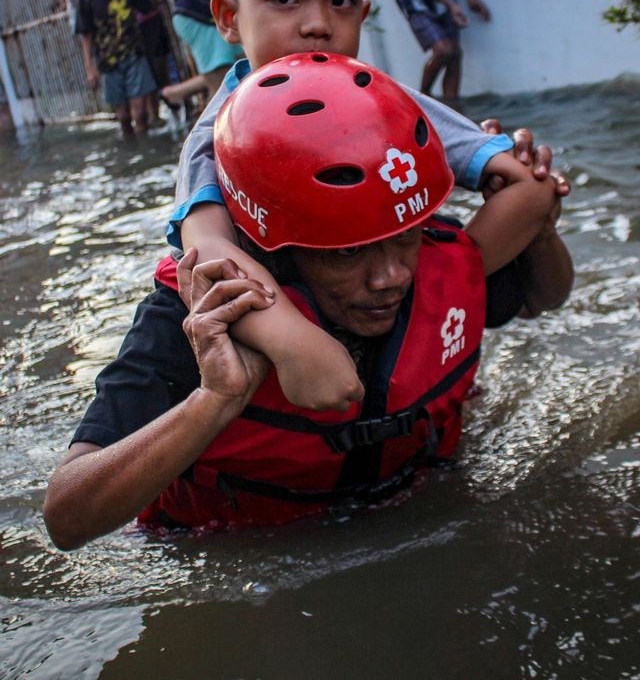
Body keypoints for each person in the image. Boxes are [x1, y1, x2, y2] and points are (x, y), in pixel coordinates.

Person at [43, 52, 572, 547]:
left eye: (406, 235)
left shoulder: (433, 252)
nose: (390, 276)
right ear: (274, 251)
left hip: (422, 512)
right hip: (244, 560)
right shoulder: (201, 318)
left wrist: (541, 228)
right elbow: (66, 517)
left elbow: (540, 298)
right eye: (346, 252)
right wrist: (216, 400)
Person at [164, 0, 569, 418]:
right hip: (297, 316)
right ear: (228, 18)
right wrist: (291, 341)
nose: (317, 23)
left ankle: (425, 315)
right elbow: (207, 251)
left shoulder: (384, 104)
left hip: (404, 302)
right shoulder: (221, 130)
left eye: (342, 0)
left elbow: (512, 176)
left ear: (364, 10)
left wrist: (445, 282)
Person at [77, 0, 157, 135]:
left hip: (134, 55)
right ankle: (132, 152)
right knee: (122, 117)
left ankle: (143, 151)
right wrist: (90, 68)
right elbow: (86, 33)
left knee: (139, 114)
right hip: (108, 63)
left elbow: (148, 6)